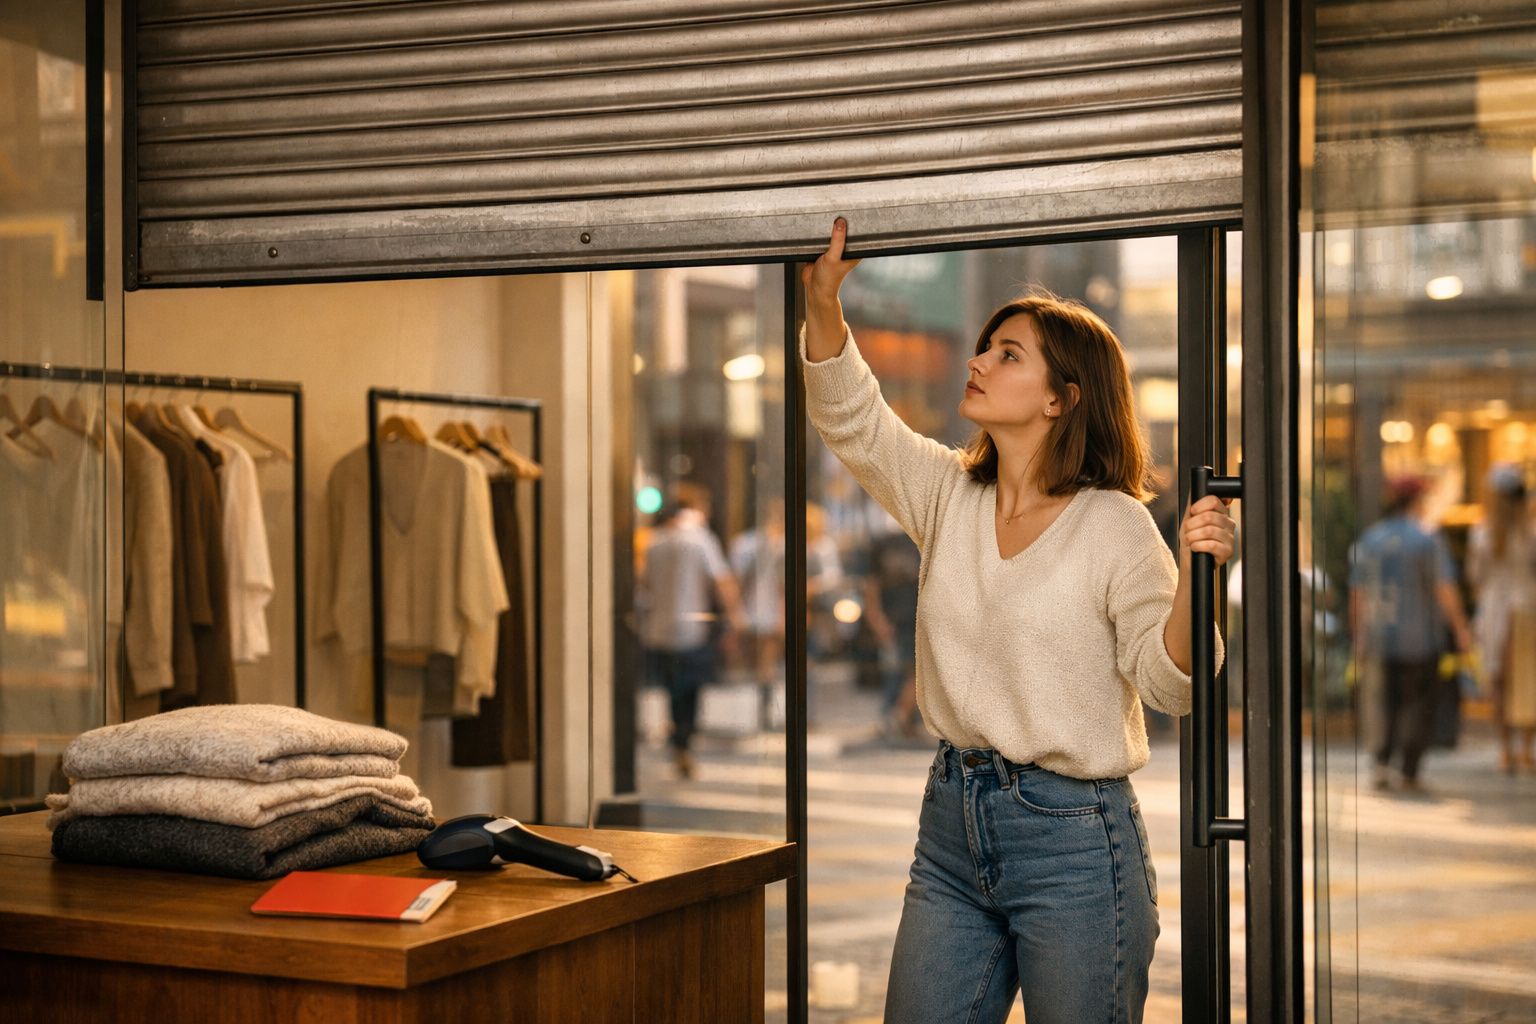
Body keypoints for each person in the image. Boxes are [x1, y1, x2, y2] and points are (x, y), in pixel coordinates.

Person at [800, 218, 1234, 1024]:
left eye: (1008, 355)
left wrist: (1197, 579)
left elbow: (1169, 686)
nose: (977, 362)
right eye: (985, 346)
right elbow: (852, 417)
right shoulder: (945, 494)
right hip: (951, 831)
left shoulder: (1114, 524)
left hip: (1075, 843)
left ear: (1061, 398)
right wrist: (823, 297)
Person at [1349, 475, 1473, 794]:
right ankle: (1409, 771)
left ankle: (1381, 763)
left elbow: (1357, 592)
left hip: (1380, 636)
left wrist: (1358, 635)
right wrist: (1460, 629)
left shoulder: (1371, 539)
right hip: (1419, 637)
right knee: (1418, 704)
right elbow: (1444, 589)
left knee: (1383, 701)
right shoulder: (1426, 539)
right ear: (1417, 503)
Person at [638, 496, 745, 779]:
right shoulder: (700, 540)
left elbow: (644, 582)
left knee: (672, 689)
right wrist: (733, 616)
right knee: (691, 689)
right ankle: (683, 740)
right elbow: (721, 580)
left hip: (659, 629)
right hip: (692, 627)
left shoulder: (654, 542)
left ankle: (679, 741)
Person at [1467, 464, 1536, 774]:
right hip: (1525, 607)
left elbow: (1475, 576)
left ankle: (1507, 749)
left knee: (1501, 681)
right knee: (1525, 680)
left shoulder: (1484, 531)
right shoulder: (1527, 531)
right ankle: (1523, 749)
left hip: (1500, 610)